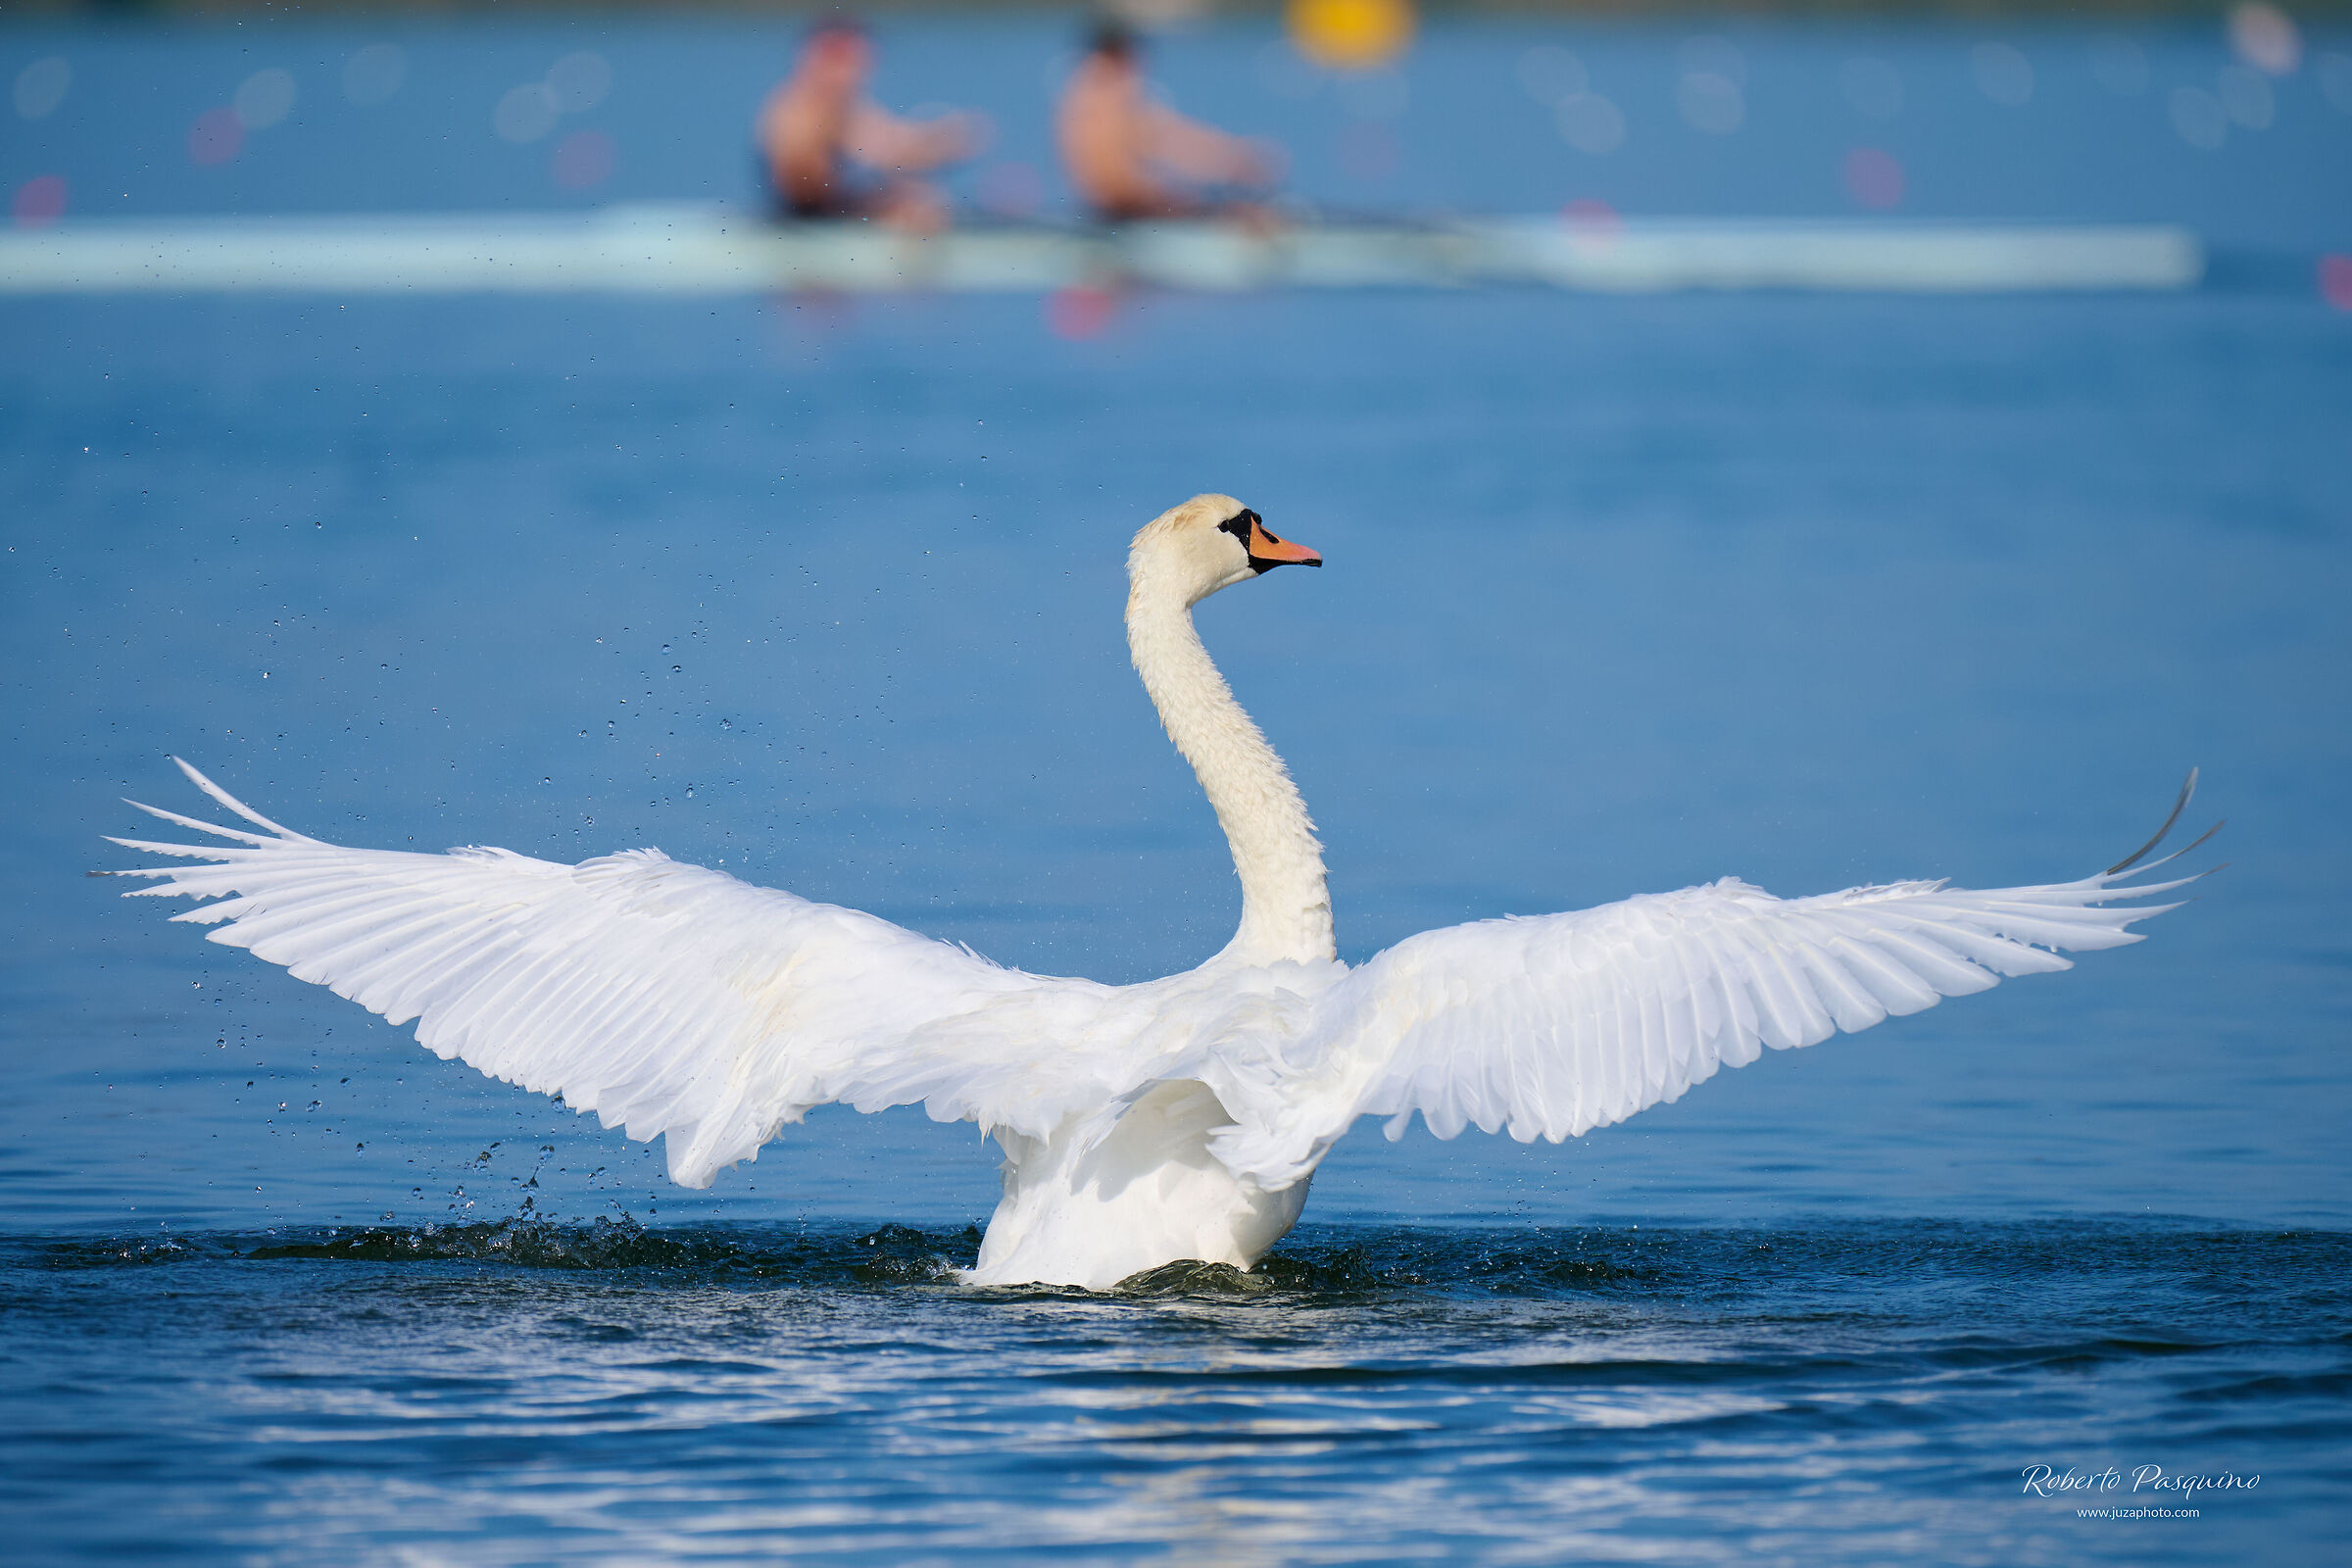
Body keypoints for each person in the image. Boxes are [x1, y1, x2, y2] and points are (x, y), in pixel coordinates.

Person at [757, 17, 987, 232]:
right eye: (841, 59)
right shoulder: (797, 109)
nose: (850, 72)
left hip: (828, 213)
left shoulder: (846, 108)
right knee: (917, 207)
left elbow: (895, 146)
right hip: (802, 222)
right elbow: (803, 186)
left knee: (924, 198)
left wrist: (945, 141)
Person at [1055, 21, 1280, 223]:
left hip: (1101, 209)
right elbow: (1169, 139)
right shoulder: (1113, 93)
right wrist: (1237, 160)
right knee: (1247, 214)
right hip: (1125, 209)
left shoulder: (1082, 91)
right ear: (1123, 55)